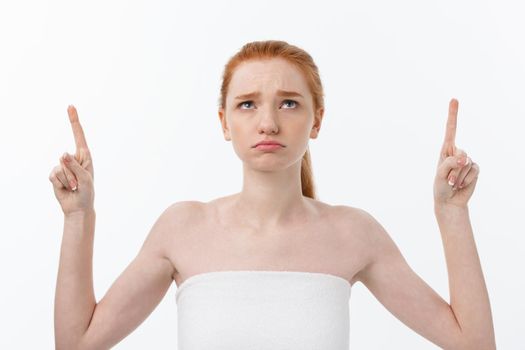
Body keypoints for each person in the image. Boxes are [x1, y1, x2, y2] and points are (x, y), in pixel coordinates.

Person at [51, 40, 496, 349]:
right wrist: (78, 218)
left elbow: (472, 342)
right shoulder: (182, 229)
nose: (267, 122)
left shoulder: (353, 234)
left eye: (288, 103)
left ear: (316, 121)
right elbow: (78, 343)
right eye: (247, 104)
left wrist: (452, 212)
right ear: (224, 123)